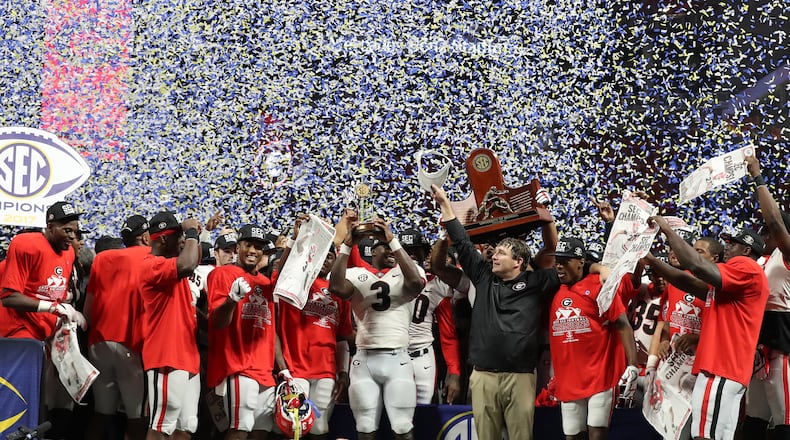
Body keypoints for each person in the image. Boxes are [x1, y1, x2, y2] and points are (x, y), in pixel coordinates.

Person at [431, 184, 559, 440]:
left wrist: (547, 215)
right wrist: (445, 204)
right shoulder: (483, 278)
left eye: (501, 253)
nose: (494, 256)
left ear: (519, 261)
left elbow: (556, 254)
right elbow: (463, 243)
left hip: (520, 377)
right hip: (483, 376)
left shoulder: (537, 282)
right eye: (495, 252)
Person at [648, 215, 769, 440]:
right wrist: (650, 260)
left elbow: (695, 266)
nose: (727, 247)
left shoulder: (746, 267)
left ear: (746, 251)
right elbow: (689, 282)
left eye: (733, 244)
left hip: (721, 366)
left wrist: (668, 231)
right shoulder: (736, 281)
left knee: (703, 435)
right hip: (727, 368)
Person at [329, 215, 426, 440]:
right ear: (372, 252)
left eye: (391, 246)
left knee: (402, 427)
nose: (390, 251)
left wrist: (393, 240)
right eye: (383, 246)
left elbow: (415, 285)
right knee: (364, 427)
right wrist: (346, 246)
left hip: (398, 358)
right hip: (364, 359)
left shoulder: (409, 270)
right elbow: (335, 287)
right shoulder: (356, 274)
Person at [0, 201, 87, 439]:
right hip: (17, 333)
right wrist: (54, 307)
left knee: (39, 398)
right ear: (49, 226)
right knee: (18, 400)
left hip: (42, 336)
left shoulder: (68, 252)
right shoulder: (26, 244)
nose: (71, 236)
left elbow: (52, 290)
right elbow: (9, 297)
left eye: (74, 231)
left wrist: (64, 308)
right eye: (66, 230)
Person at [549, 237, 638, 440]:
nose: (559, 266)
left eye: (565, 260)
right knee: (572, 436)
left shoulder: (600, 286)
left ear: (581, 261)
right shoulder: (554, 286)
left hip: (600, 376)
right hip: (568, 379)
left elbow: (622, 324)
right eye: (557, 260)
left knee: (597, 434)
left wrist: (632, 364)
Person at [277, 216, 354, 439]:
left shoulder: (339, 293)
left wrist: (343, 372)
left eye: (331, 256)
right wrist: (294, 239)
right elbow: (282, 272)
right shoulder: (295, 281)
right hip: (296, 368)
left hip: (326, 370)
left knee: (320, 429)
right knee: (295, 428)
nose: (326, 260)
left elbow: (342, 337)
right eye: (323, 255)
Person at [207, 223, 283, 440]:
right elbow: (217, 323)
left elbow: (271, 329)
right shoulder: (222, 274)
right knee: (239, 430)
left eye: (258, 247)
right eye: (248, 244)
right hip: (237, 366)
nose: (253, 251)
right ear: (238, 246)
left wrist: (283, 369)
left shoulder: (265, 282)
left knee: (261, 432)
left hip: (265, 370)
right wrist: (232, 300)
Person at [83, 214, 151, 440]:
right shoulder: (151, 256)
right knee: (137, 416)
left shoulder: (103, 259)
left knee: (102, 413)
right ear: (144, 236)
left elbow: (88, 309)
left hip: (98, 342)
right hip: (131, 342)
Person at [139, 211, 202, 440]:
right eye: (179, 237)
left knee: (187, 424)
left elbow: (192, 260)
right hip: (166, 353)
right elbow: (187, 264)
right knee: (163, 423)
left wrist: (196, 235)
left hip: (186, 353)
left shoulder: (169, 264)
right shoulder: (151, 265)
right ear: (164, 239)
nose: (183, 241)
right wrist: (192, 232)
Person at [741, 154, 790, 439]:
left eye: (769, 228)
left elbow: (773, 221)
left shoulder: (787, 254)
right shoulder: (764, 259)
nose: (764, 230)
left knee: (784, 418)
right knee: (755, 418)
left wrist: (757, 178)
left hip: (783, 346)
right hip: (760, 345)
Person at [398, 228, 462, 405]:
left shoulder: (437, 286)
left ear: (425, 253)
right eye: (405, 252)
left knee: (422, 415)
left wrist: (455, 373)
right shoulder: (384, 281)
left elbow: (448, 335)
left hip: (422, 357)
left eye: (414, 251)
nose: (409, 257)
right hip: (391, 355)